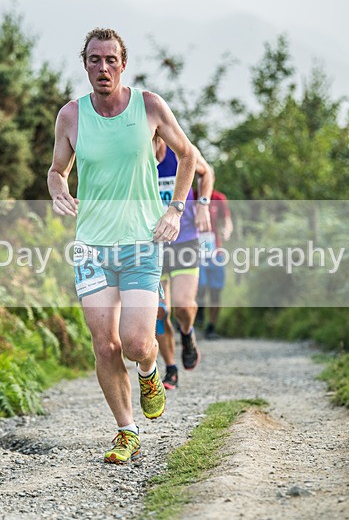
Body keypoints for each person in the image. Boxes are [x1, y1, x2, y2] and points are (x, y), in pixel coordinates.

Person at [48, 28, 198, 464]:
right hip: (91, 245)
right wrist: (57, 188)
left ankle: (150, 371)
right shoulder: (71, 117)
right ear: (85, 65)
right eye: (94, 60)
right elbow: (58, 169)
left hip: (141, 241)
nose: (103, 68)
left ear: (123, 64)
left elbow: (187, 154)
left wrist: (174, 210)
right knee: (104, 345)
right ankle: (126, 430)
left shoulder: (149, 106)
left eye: (111, 59)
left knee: (135, 343)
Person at [155, 137, 214, 390]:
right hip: (151, 243)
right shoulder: (135, 159)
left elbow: (207, 172)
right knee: (159, 311)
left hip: (185, 238)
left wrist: (202, 204)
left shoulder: (178, 151)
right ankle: (170, 368)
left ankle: (188, 332)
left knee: (181, 306)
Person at [195, 189, 233, 340]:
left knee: (216, 291)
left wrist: (227, 231)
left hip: (215, 251)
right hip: (195, 252)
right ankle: (198, 317)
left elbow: (227, 221)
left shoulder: (218, 197)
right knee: (200, 287)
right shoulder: (191, 195)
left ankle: (211, 326)